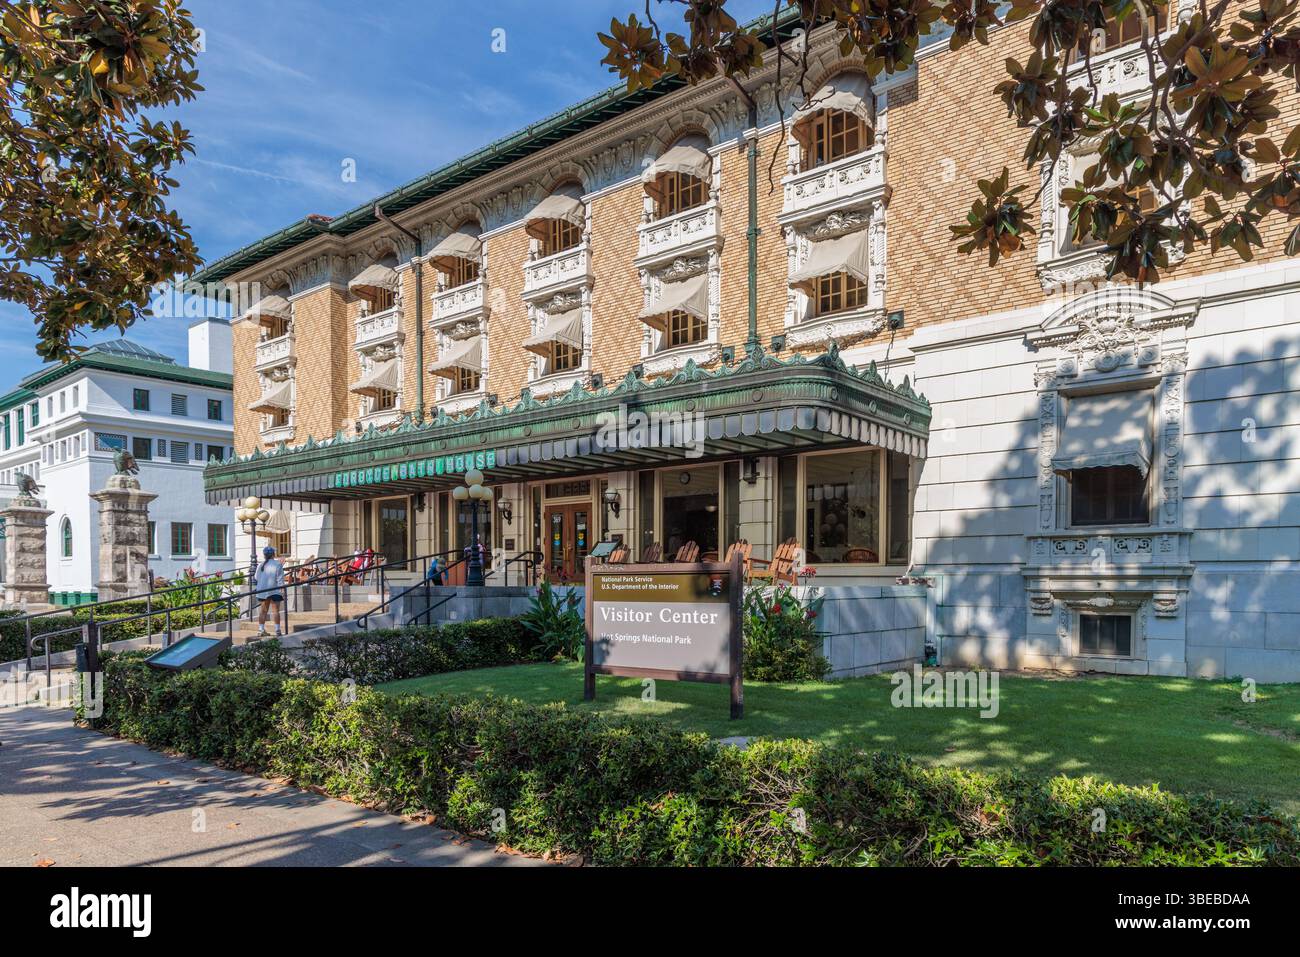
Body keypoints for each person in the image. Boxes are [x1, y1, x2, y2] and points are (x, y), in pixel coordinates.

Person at [254, 545, 286, 638]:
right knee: (275, 611)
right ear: (273, 554)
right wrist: (282, 589)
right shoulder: (277, 564)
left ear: (264, 555)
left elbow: (256, 577)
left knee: (263, 611)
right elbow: (280, 579)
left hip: (263, 590)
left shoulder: (261, 565)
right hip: (274, 590)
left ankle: (261, 629)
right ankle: (277, 630)